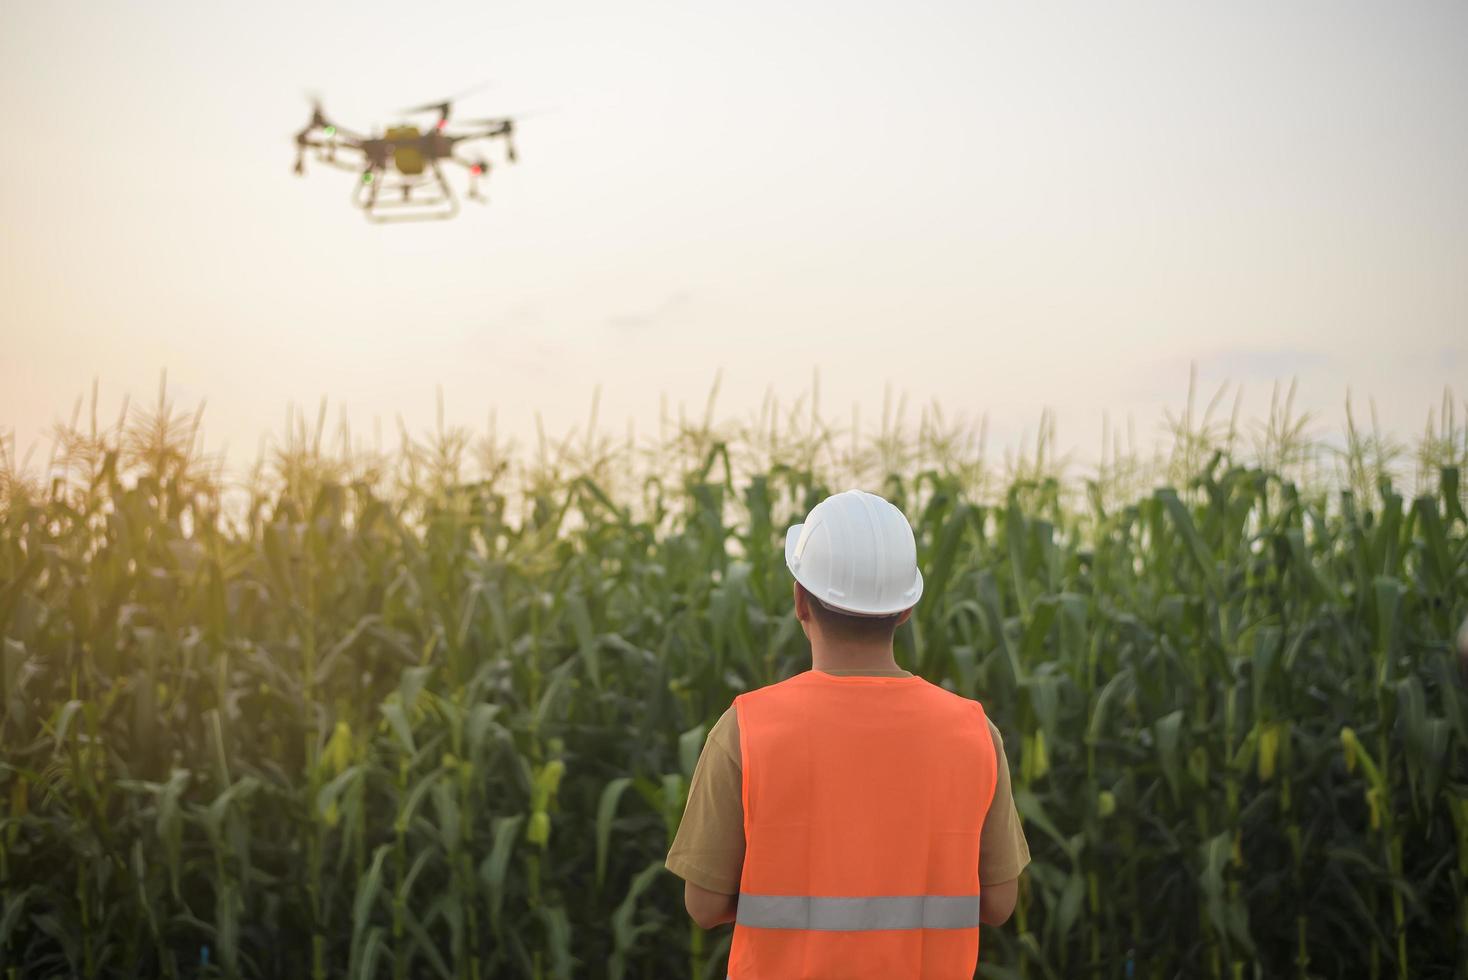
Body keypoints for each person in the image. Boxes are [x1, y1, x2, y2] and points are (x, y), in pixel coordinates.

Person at [665, 489, 1030, 978]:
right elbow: (1001, 901)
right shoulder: (973, 731)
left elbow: (705, 905)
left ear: (800, 601)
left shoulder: (746, 728)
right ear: (905, 610)